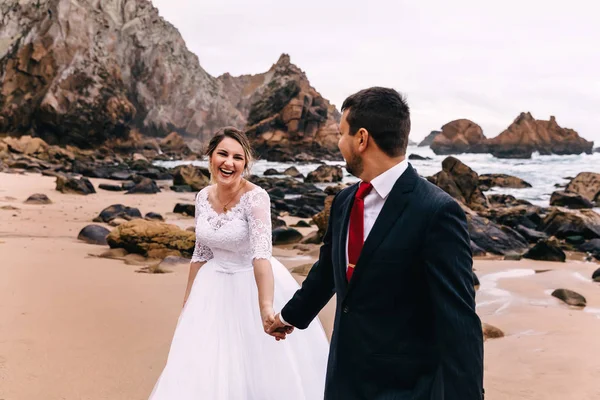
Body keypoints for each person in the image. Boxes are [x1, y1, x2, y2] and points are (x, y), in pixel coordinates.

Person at [267, 87, 484, 399]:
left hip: (405, 388)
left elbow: (459, 320)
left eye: (342, 133)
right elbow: (328, 271)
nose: (338, 142)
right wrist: (288, 317)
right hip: (343, 380)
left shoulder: (437, 211)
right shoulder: (343, 201)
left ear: (362, 139)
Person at [148, 127, 329, 400]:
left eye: (237, 157)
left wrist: (266, 307)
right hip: (211, 289)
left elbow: (260, 255)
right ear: (211, 157)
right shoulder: (202, 197)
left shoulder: (256, 198)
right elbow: (201, 253)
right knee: (204, 365)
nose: (228, 163)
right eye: (222, 154)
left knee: (258, 367)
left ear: (246, 164)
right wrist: (187, 302)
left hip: (251, 282)